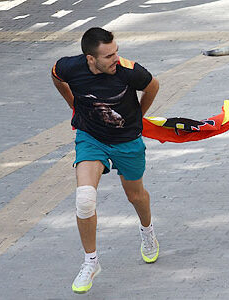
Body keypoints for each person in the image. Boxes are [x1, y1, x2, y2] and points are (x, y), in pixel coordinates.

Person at [51, 27, 160, 294]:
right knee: (85, 198)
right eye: (108, 55)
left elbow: (153, 86)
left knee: (136, 196)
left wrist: (137, 117)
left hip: (127, 141)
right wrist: (73, 104)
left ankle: (147, 231)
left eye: (116, 52)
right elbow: (55, 74)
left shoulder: (129, 71)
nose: (115, 59)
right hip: (91, 138)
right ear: (90, 59)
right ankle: (91, 262)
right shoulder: (70, 67)